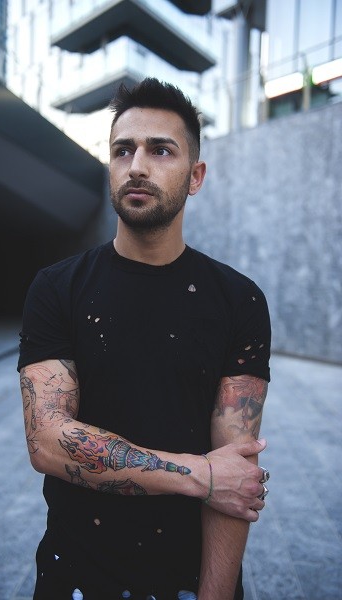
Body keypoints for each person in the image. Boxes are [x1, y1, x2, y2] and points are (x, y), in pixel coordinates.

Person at [18, 77, 271, 600]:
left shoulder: (238, 299)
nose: (136, 166)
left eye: (161, 150)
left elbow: (236, 476)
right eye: (122, 150)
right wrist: (198, 474)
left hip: (187, 578)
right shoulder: (57, 288)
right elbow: (47, 440)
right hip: (75, 576)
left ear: (195, 176)